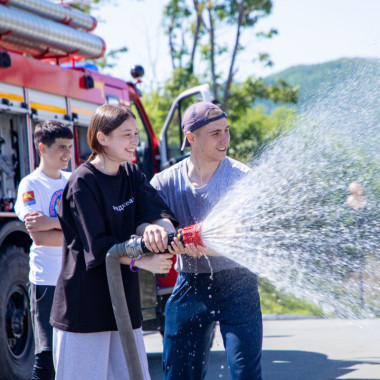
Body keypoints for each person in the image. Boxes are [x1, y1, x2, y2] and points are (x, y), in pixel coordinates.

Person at [49, 104, 177, 380]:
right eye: (127, 134)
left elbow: (159, 211)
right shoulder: (82, 182)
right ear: (102, 138)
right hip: (85, 307)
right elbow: (100, 245)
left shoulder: (131, 174)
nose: (135, 141)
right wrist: (145, 261)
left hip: (124, 305)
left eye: (135, 134)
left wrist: (159, 229)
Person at [151, 101, 263, 380]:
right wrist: (165, 233)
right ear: (191, 137)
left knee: (245, 373)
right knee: (178, 373)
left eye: (226, 131)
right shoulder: (164, 182)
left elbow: (240, 233)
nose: (225, 139)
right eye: (215, 133)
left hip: (238, 283)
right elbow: (156, 219)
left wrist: (199, 240)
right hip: (190, 281)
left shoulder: (241, 177)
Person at [15, 120, 73, 379]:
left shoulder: (73, 181)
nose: (67, 154)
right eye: (61, 148)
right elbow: (39, 238)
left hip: (75, 279)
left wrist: (52, 222)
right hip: (46, 282)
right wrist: (76, 234)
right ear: (41, 148)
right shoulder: (30, 185)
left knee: (73, 355)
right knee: (47, 359)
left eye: (70, 147)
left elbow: (90, 228)